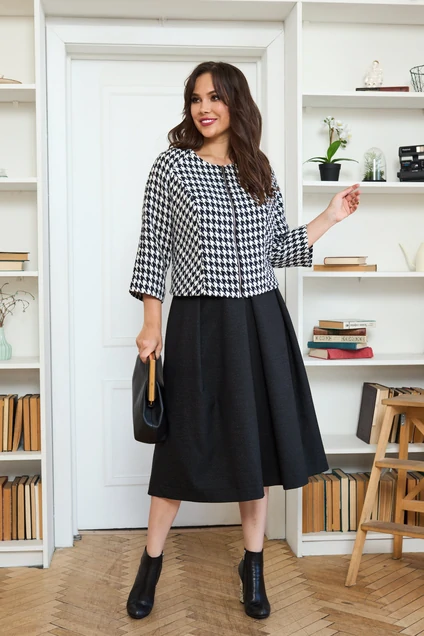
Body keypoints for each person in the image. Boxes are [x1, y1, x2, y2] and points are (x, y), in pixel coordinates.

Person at [126, 61, 361, 621]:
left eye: (215, 97)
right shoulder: (172, 167)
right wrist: (152, 323)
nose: (204, 108)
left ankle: (252, 569)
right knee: (181, 450)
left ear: (236, 102)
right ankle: (150, 565)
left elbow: (278, 248)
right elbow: (153, 249)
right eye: (196, 98)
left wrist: (329, 217)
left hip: (259, 320)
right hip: (199, 323)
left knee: (252, 449)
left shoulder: (259, 168)